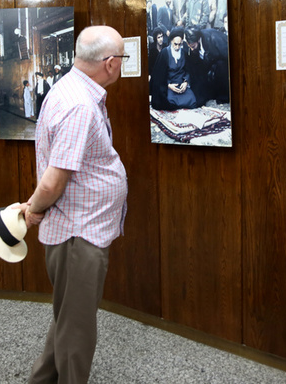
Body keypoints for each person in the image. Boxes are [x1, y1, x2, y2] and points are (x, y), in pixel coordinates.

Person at [18, 25, 129, 384]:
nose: (123, 64)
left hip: (78, 230)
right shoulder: (80, 105)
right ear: (110, 63)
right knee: (78, 332)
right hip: (77, 235)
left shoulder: (69, 89)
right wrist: (33, 209)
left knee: (68, 320)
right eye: (123, 58)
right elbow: (52, 181)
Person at [149, 28, 197, 110]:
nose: (177, 47)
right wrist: (169, 85)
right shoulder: (164, 53)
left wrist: (185, 82)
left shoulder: (184, 53)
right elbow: (159, 76)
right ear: (171, 41)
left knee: (192, 100)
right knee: (169, 102)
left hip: (182, 86)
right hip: (170, 86)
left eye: (179, 44)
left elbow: (188, 70)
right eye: (175, 44)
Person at [184, 26, 230, 106]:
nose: (192, 49)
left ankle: (224, 96)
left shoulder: (214, 38)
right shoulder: (192, 45)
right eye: (190, 46)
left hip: (222, 62)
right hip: (208, 62)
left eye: (193, 46)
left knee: (221, 65)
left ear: (198, 40)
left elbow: (228, 56)